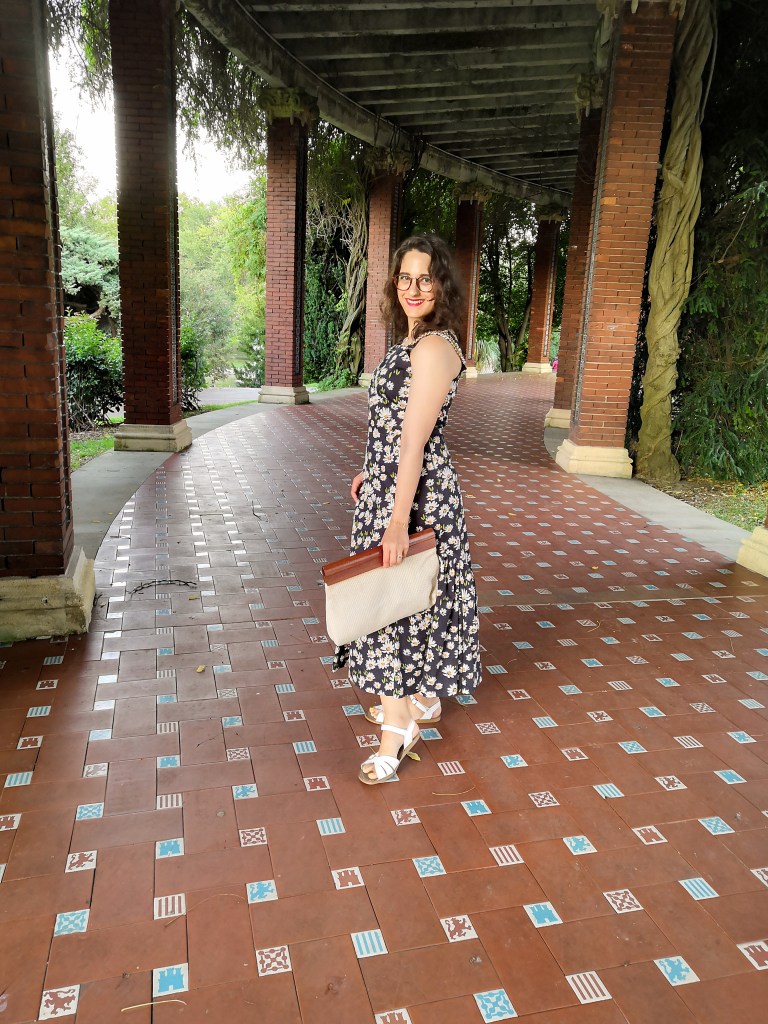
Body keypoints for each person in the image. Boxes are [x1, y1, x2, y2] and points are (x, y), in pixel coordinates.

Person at [345, 233, 481, 784]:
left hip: (415, 498)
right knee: (406, 602)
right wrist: (369, 470)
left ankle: (397, 731)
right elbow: (392, 426)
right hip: (391, 485)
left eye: (425, 278)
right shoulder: (412, 341)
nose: (413, 288)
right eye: (405, 277)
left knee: (390, 608)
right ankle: (420, 700)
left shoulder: (433, 347)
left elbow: (415, 441)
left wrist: (398, 517)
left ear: (442, 284)